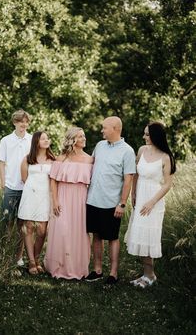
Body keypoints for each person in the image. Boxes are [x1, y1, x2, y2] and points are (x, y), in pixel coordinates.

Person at [125, 121, 176, 288]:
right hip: (140, 197)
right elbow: (136, 175)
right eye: (144, 134)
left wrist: (152, 202)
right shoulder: (141, 150)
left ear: (156, 136)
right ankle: (145, 274)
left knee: (148, 237)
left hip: (153, 200)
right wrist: (133, 193)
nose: (144, 137)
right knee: (139, 235)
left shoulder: (165, 157)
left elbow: (167, 184)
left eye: (147, 134)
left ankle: (151, 275)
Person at [86, 116, 136, 285]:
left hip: (112, 203)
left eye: (104, 128)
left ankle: (113, 273)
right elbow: (89, 164)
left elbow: (128, 180)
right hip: (93, 199)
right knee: (96, 235)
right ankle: (97, 270)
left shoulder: (127, 151)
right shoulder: (100, 146)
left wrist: (122, 203)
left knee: (112, 237)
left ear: (115, 128)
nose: (102, 131)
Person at [44, 127, 93, 279]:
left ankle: (78, 267)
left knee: (79, 232)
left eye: (84, 135)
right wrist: (55, 201)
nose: (84, 138)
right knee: (62, 231)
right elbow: (53, 180)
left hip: (81, 199)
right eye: (80, 136)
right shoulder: (61, 158)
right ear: (72, 140)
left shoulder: (90, 159)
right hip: (63, 197)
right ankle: (59, 267)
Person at [0, 109, 32, 266]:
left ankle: (18, 257)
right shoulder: (6, 140)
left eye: (26, 121)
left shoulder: (32, 140)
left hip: (26, 187)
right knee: (7, 223)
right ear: (14, 122)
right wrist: (3, 182)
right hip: (10, 187)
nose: (23, 124)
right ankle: (3, 254)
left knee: (22, 225)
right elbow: (1, 162)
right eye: (20, 121)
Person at [18, 131, 55, 275]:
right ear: (36, 142)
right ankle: (32, 262)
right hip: (30, 196)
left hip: (45, 197)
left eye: (47, 138)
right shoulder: (27, 159)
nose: (47, 140)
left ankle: (37, 258)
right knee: (28, 228)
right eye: (43, 138)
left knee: (42, 231)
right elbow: (24, 179)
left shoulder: (53, 159)